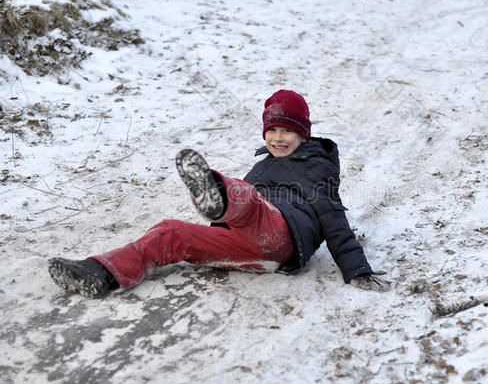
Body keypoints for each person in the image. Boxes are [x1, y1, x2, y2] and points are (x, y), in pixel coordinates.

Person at [48, 89, 390, 298]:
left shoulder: (317, 166)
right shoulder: (263, 165)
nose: (279, 137)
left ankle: (216, 190)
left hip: (284, 238)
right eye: (272, 129)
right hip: (250, 247)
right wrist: (218, 232)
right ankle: (103, 274)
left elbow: (333, 217)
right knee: (171, 231)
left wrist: (356, 269)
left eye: (288, 130)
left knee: (251, 202)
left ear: (303, 134)